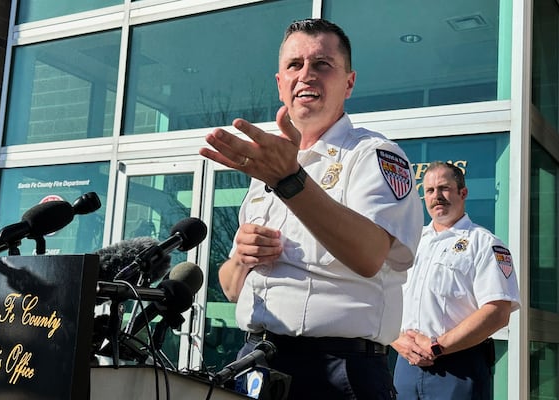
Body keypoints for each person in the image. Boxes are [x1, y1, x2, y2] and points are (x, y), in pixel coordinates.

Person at [199, 18, 423, 399]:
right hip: (254, 362)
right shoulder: (267, 167)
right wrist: (242, 258)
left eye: (322, 64)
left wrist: (291, 181)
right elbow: (232, 288)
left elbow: (370, 256)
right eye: (294, 65)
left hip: (338, 373)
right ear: (280, 83)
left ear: (348, 82)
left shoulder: (374, 156)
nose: (306, 75)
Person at [391, 161, 521, 399]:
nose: (436, 196)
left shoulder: (486, 244)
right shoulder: (412, 241)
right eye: (429, 190)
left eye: (444, 188)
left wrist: (438, 346)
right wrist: (395, 339)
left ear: (463, 193)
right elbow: (386, 294)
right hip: (406, 365)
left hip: (458, 368)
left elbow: (498, 312)